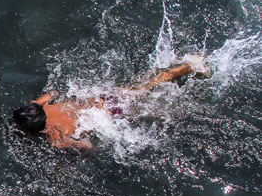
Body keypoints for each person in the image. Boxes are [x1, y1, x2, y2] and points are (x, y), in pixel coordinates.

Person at [12, 62, 201, 150]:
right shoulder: (38, 105)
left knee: (165, 112)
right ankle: (187, 67)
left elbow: (87, 146)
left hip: (112, 115)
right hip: (103, 97)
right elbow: (53, 94)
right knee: (146, 88)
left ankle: (197, 103)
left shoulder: (56, 138)